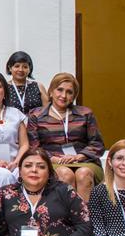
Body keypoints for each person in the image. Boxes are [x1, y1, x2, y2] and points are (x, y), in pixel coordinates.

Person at [26, 72, 104, 201]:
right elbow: (34, 147)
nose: (63, 95)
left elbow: (97, 144)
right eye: (60, 90)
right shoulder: (36, 115)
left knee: (83, 174)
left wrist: (78, 156)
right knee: (65, 173)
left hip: (84, 161)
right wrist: (53, 159)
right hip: (52, 162)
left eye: (69, 92)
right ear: (51, 91)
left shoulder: (85, 113)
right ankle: (68, 214)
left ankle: (84, 214)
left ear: (74, 96)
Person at [4, 51, 48, 116]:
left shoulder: (38, 86)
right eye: (17, 66)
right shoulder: (4, 87)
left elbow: (47, 110)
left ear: (29, 69)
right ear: (10, 68)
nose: (21, 70)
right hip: (11, 122)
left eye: (25, 67)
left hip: (35, 122)